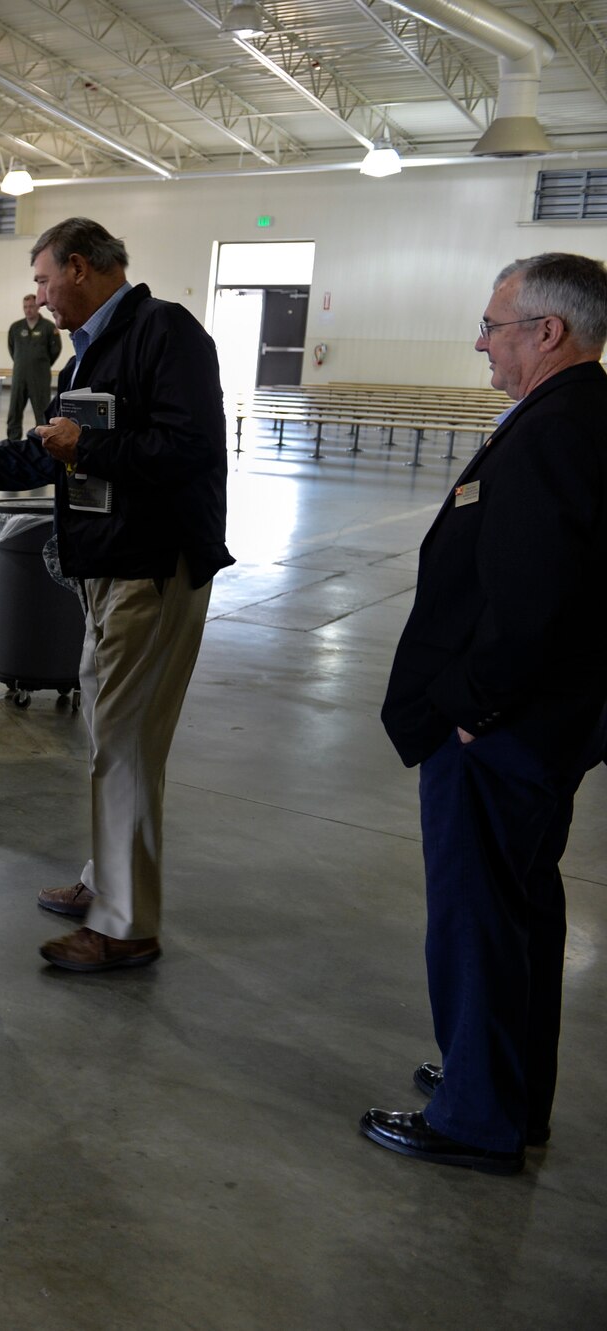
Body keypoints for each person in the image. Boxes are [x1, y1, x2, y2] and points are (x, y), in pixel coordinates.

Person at [363, 253, 607, 1175]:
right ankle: (503, 1083)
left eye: (495, 325)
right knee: (521, 912)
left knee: (479, 916)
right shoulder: (576, 415)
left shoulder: (554, 429)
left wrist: (471, 707)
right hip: (543, 721)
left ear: (547, 331)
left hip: (508, 728)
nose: (481, 341)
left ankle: (476, 1115)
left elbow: (532, 597)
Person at [0, 217, 232, 973]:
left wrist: (85, 447)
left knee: (123, 743)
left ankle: (125, 925)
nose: (42, 297)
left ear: (81, 268)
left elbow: (191, 449)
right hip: (105, 569)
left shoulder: (165, 333)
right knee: (115, 737)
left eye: (47, 281)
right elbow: (49, 452)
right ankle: (106, 881)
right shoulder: (89, 351)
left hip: (150, 571)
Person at [5, 293, 61, 440]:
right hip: (19, 376)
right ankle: (13, 442)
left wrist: (41, 364)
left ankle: (42, 443)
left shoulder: (48, 327)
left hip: (40, 377)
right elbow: (12, 349)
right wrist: (22, 362)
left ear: (37, 307)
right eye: (25, 307)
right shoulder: (16, 327)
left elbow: (55, 350)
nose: (28, 310)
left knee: (42, 412)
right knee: (14, 412)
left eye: (31, 306)